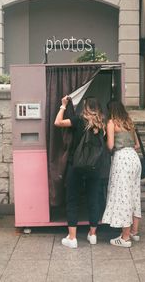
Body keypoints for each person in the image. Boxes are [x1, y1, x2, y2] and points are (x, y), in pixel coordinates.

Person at [54, 95, 106, 248]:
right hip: (95, 167)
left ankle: (72, 238)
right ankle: (93, 234)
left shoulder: (78, 120)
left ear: (86, 107)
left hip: (76, 166)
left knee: (72, 199)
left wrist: (63, 105)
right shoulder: (102, 124)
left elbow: (57, 122)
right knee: (93, 199)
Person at [102, 100, 141, 248]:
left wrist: (106, 137)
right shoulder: (129, 122)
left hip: (122, 159)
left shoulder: (112, 123)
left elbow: (111, 146)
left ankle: (125, 238)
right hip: (134, 159)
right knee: (134, 194)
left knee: (124, 195)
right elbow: (136, 145)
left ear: (111, 110)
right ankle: (134, 232)